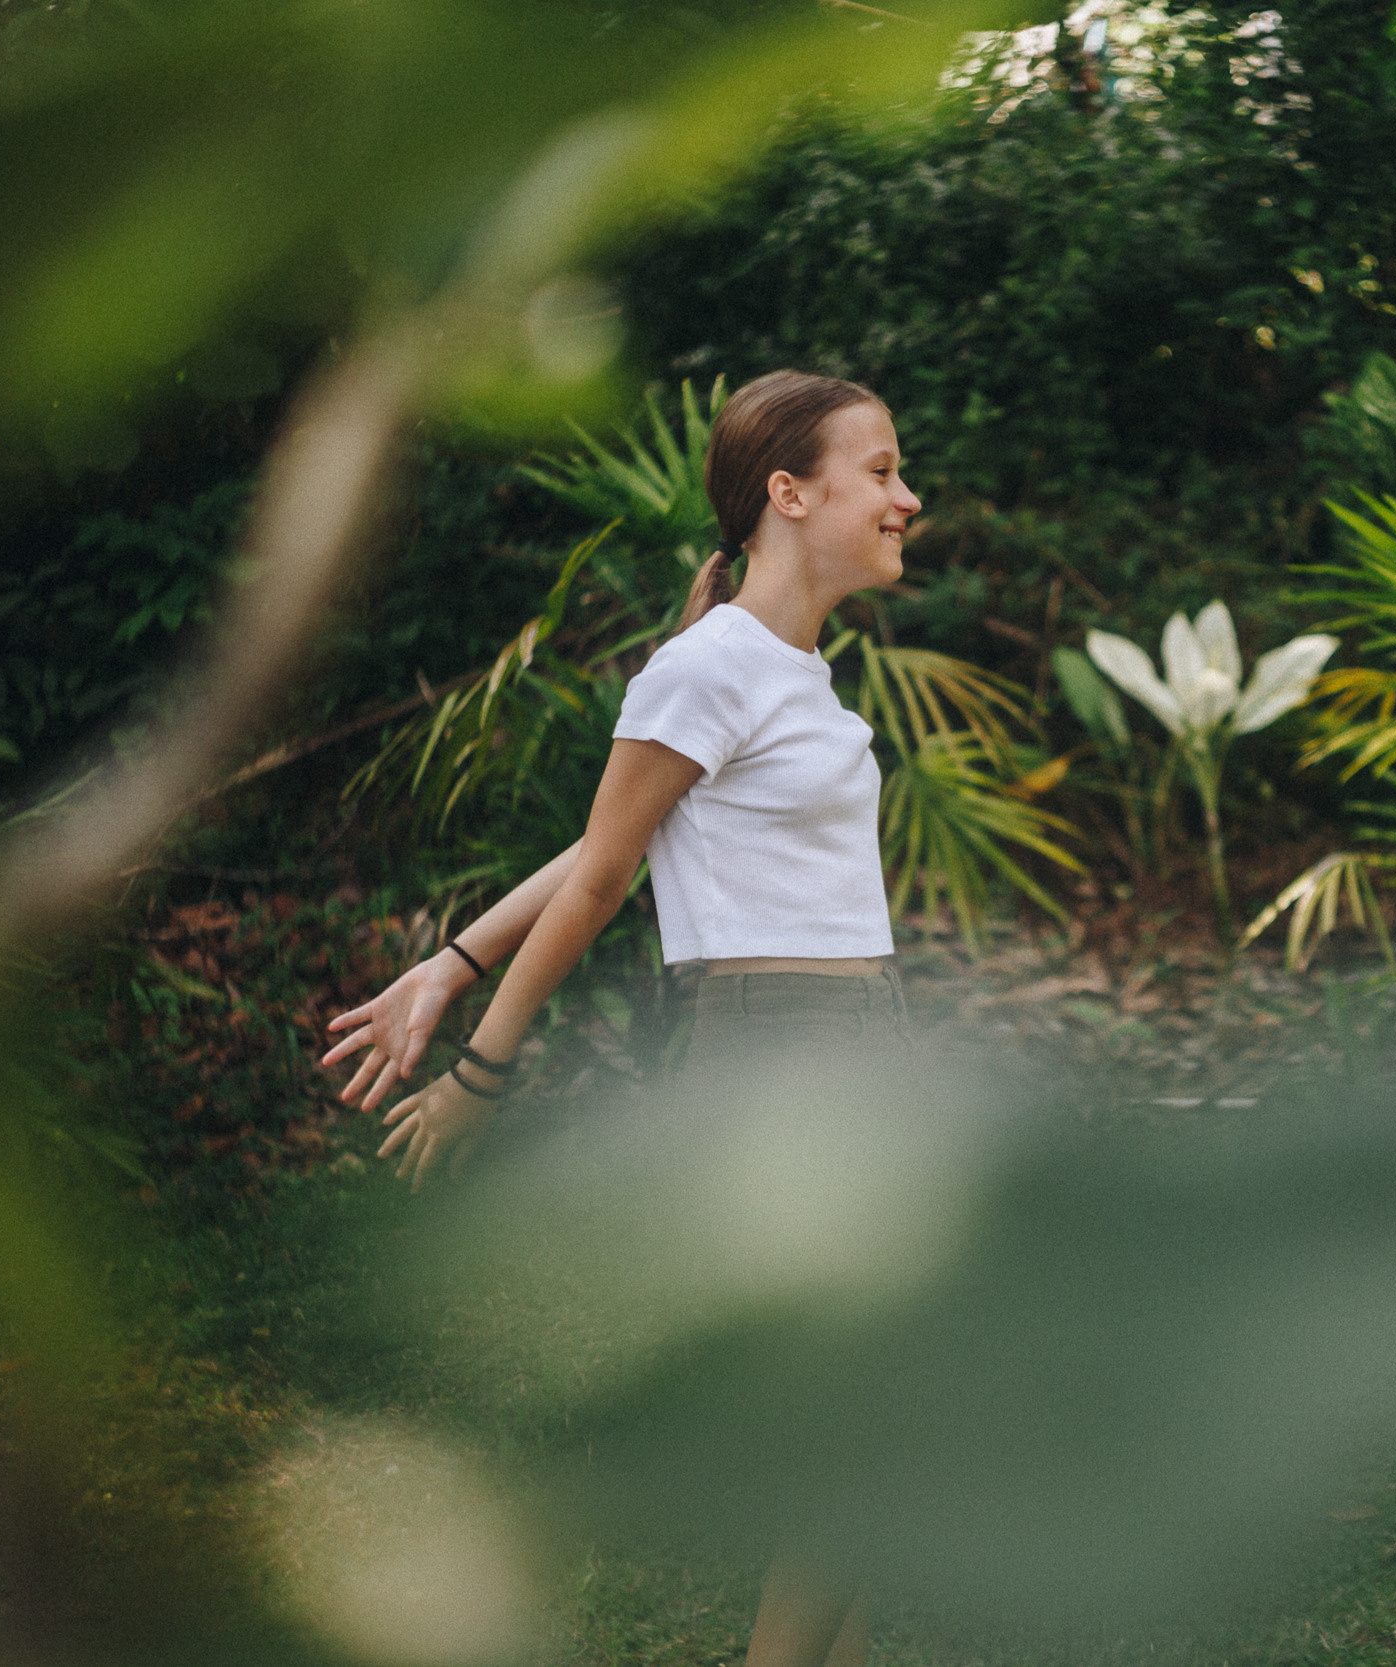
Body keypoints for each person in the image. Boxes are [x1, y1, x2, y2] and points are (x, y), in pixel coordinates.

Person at [319, 368, 920, 1667]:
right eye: (880, 471)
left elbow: (623, 840)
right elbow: (603, 873)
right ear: (789, 491)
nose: (905, 498)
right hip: (779, 1057)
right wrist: (479, 1073)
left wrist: (454, 960)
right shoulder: (705, 666)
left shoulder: (784, 673)